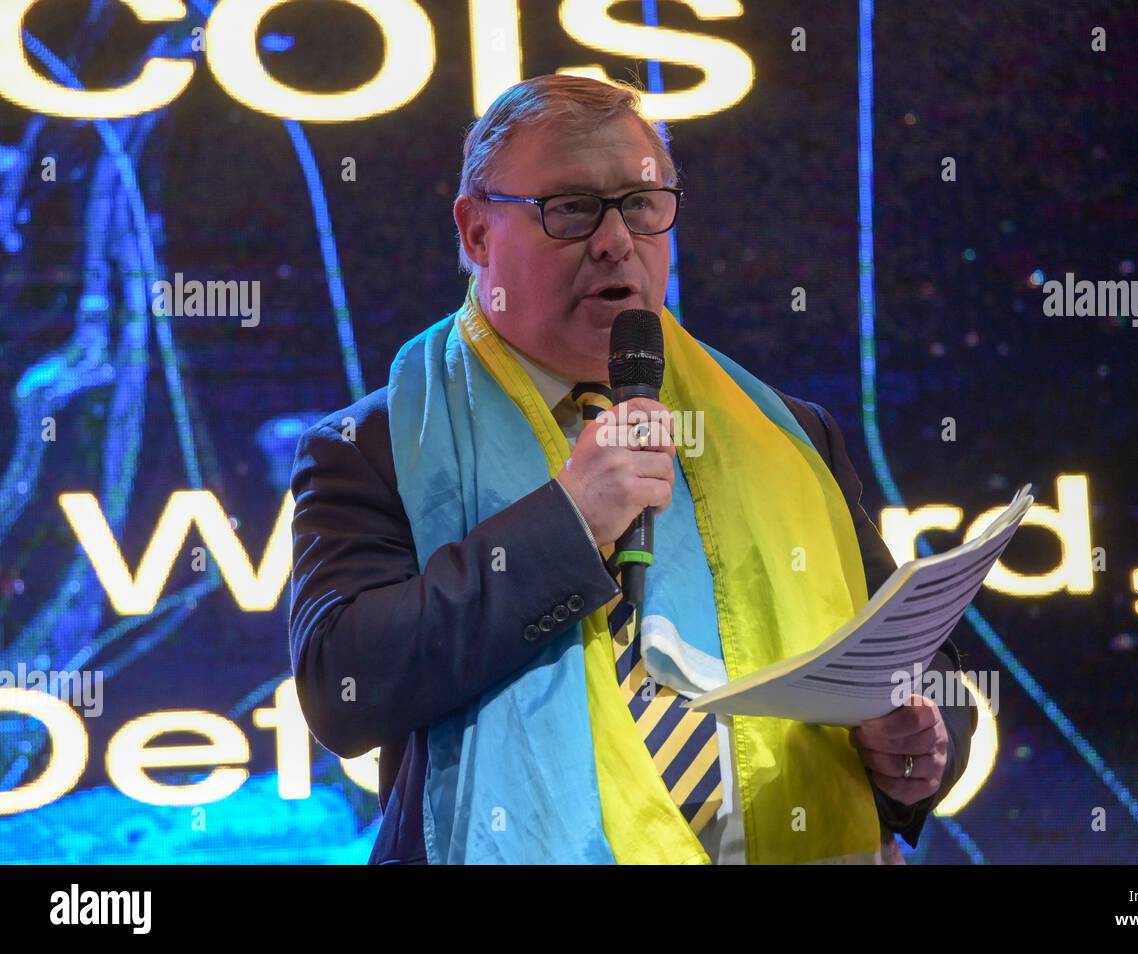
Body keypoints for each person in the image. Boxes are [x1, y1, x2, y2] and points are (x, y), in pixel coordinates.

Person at [288, 74, 976, 865]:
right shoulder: (370, 445)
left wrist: (920, 745)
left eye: (641, 206)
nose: (616, 240)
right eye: (572, 208)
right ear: (477, 234)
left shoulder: (787, 431)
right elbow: (344, 688)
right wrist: (569, 524)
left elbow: (926, 670)